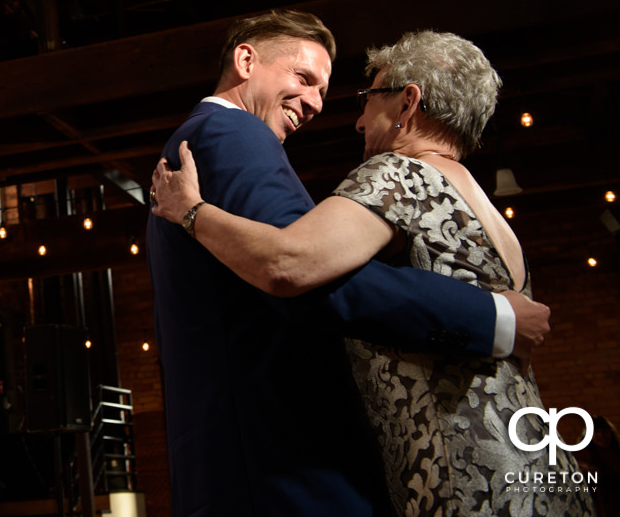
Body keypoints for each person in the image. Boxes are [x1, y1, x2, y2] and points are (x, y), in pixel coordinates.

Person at [151, 29, 592, 517]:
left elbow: (291, 263)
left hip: (455, 466)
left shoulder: (396, 175)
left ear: (408, 103)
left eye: (367, 98)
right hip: (534, 459)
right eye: (306, 80)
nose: (354, 119)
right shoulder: (483, 204)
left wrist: (190, 211)